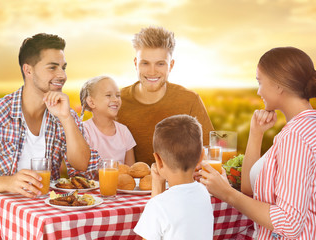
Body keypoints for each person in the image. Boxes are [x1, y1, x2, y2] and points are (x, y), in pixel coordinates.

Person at [0, 33, 100, 240]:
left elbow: (82, 166)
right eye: (52, 67)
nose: (62, 75)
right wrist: (9, 182)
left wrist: (66, 118)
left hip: (39, 225)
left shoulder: (64, 115)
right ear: (28, 70)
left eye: (63, 67)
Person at [200, 47, 316, 239]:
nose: (258, 91)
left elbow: (289, 224)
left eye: (260, 82)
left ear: (279, 85)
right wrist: (256, 133)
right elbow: (250, 188)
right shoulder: (306, 128)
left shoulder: (296, 138)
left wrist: (227, 194)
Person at [117, 26, 214, 166]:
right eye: (145, 63)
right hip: (128, 186)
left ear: (171, 65)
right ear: (135, 64)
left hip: (178, 186)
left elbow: (209, 154)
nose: (152, 72)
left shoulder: (189, 100)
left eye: (160, 64)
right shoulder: (117, 102)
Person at [134, 114, 213, 240]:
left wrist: (157, 186)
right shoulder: (203, 192)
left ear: (158, 160)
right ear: (201, 157)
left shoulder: (157, 205)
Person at [79, 75, 136, 166]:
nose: (116, 99)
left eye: (118, 95)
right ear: (91, 102)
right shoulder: (84, 130)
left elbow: (131, 170)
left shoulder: (124, 131)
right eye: (108, 95)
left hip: (120, 180)